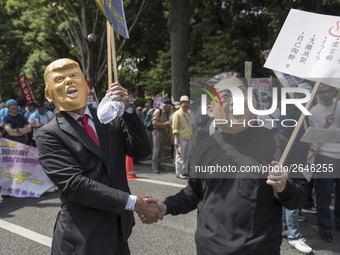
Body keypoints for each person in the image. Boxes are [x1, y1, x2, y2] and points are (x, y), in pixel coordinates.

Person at [142, 72, 309, 254]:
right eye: (226, 96)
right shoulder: (204, 148)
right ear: (210, 110)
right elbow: (194, 192)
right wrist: (167, 206)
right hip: (209, 249)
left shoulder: (278, 144)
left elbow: (299, 197)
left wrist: (284, 187)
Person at [36, 58, 162, 255]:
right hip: (83, 238)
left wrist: (127, 110)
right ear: (48, 95)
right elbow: (76, 185)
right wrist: (133, 202)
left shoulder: (107, 116)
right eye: (60, 79)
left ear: (86, 86)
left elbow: (141, 151)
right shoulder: (48, 134)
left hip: (119, 230)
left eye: (74, 75)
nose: (69, 81)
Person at [278, 82, 313, 254]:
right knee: (292, 194)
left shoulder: (304, 112)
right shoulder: (290, 110)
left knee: (289, 194)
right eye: (305, 94)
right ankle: (294, 235)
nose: (309, 98)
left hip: (301, 158)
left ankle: (286, 228)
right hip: (291, 160)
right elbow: (283, 137)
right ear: (297, 95)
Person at [308, 83, 340, 243]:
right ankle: (324, 228)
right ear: (317, 94)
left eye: (329, 91)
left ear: (335, 90)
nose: (326, 95)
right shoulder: (314, 112)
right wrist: (326, 125)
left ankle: (338, 224)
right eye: (322, 92)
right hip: (325, 155)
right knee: (324, 194)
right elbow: (314, 139)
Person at [151, 98, 173, 173]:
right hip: (157, 131)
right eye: (169, 106)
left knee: (161, 150)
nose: (170, 108)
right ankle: (154, 166)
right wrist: (165, 123)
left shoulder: (165, 112)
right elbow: (154, 123)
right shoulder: (158, 111)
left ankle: (158, 165)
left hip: (163, 131)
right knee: (156, 149)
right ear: (166, 105)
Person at [172, 96, 192, 179]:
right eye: (184, 102)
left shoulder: (188, 113)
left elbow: (191, 126)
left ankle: (185, 172)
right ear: (180, 104)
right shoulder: (177, 114)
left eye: (187, 103)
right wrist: (176, 139)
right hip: (181, 139)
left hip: (188, 138)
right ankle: (179, 172)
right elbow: (175, 127)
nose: (186, 104)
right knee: (180, 156)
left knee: (187, 156)